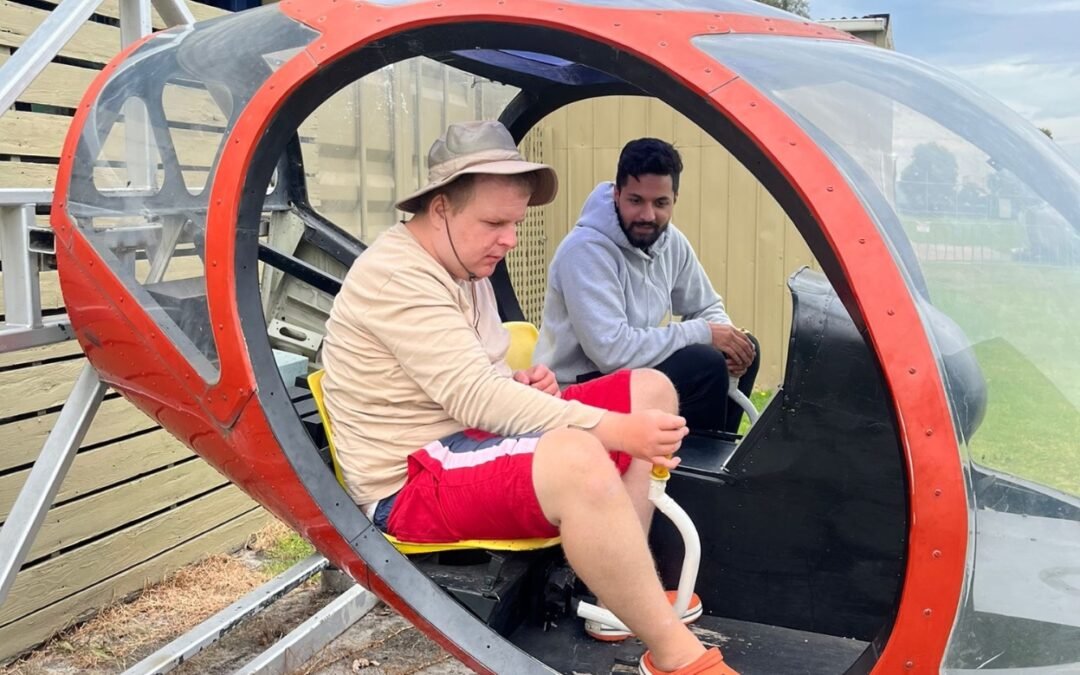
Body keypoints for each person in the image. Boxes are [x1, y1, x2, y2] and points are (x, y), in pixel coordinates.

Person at [320, 121, 736, 675]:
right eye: (495, 223)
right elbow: (475, 399)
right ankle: (677, 655)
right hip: (410, 481)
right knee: (579, 455)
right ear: (440, 208)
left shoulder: (463, 266)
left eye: (515, 223)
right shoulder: (399, 276)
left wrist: (519, 383)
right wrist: (611, 430)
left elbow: (479, 378)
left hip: (466, 444)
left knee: (651, 389)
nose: (510, 240)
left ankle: (616, 596)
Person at [533, 138, 760, 434]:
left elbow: (706, 306)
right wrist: (704, 333)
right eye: (636, 200)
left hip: (630, 373)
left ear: (675, 199)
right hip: (574, 392)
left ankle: (717, 455)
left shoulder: (670, 241)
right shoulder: (584, 251)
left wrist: (728, 344)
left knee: (744, 347)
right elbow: (612, 353)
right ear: (617, 194)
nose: (647, 216)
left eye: (660, 203)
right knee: (703, 365)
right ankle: (685, 463)